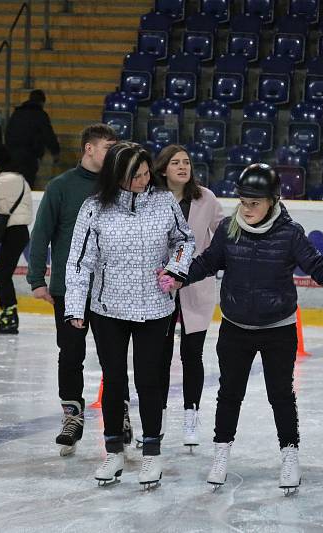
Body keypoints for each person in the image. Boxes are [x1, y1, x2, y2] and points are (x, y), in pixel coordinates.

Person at [160, 164, 323, 494]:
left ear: (272, 201)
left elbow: (319, 267)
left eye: (254, 203)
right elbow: (206, 262)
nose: (247, 208)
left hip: (278, 329)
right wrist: (178, 275)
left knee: (280, 395)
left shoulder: (290, 233)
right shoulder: (229, 229)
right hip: (235, 327)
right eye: (243, 202)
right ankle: (221, 453)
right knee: (229, 394)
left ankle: (289, 454)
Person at [65, 142, 195, 487]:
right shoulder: (94, 208)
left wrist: (176, 269)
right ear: (117, 177)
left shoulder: (164, 202)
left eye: (146, 173)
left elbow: (185, 241)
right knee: (114, 380)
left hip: (155, 308)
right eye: (135, 175)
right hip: (108, 309)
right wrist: (75, 307)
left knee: (149, 379)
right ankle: (114, 450)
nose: (144, 180)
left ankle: (151, 452)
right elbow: (80, 262)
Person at [27, 124, 132, 456]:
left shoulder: (120, 187)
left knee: (112, 356)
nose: (113, 154)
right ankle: (72, 415)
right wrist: (36, 279)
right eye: (107, 147)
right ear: (89, 148)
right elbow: (41, 233)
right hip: (68, 288)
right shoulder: (62, 186)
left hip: (110, 288)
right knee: (70, 354)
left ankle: (121, 414)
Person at [152, 144, 224, 448]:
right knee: (160, 355)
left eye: (187, 162)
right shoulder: (151, 198)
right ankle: (159, 415)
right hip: (159, 285)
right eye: (176, 163)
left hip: (196, 284)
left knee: (192, 354)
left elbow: (223, 234)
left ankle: (191, 415)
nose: (183, 167)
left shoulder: (205, 198)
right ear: (164, 168)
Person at [0, 143, 33, 334]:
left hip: (15, 232)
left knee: (1, 275)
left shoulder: (9, 179)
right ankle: (8, 312)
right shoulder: (12, 178)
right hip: (15, 231)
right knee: (1, 274)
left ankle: (10, 315)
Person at [4, 89, 60, 188]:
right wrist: (55, 151)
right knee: (27, 185)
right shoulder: (41, 115)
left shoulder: (17, 113)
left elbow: (7, 132)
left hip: (12, 155)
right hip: (29, 156)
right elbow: (48, 135)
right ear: (42, 102)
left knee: (13, 185)